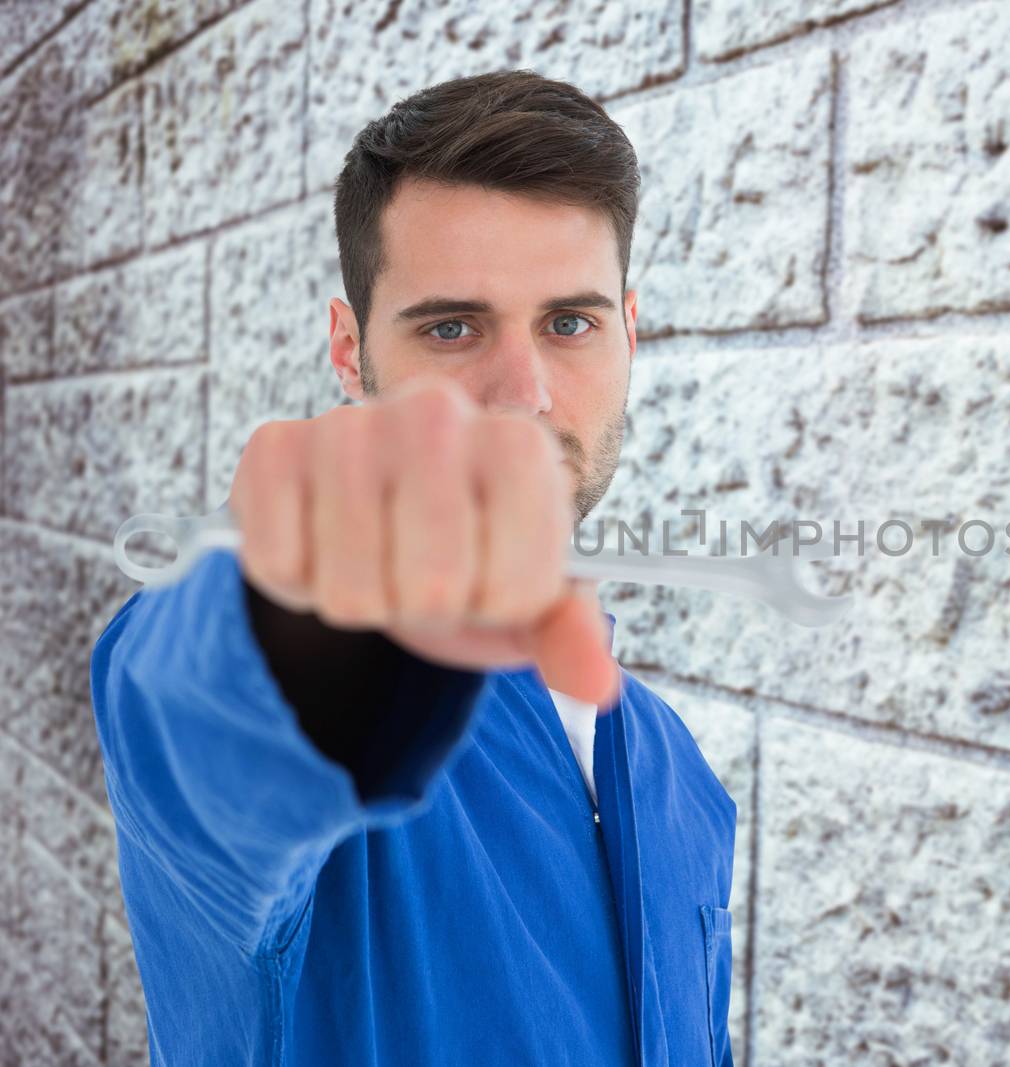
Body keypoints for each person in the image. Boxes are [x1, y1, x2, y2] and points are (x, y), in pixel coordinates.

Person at [89, 70, 737, 1066]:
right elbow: (203, 707)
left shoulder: (675, 771)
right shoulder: (286, 677)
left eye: (570, 323)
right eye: (451, 326)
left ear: (629, 331)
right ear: (349, 353)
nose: (523, 393)